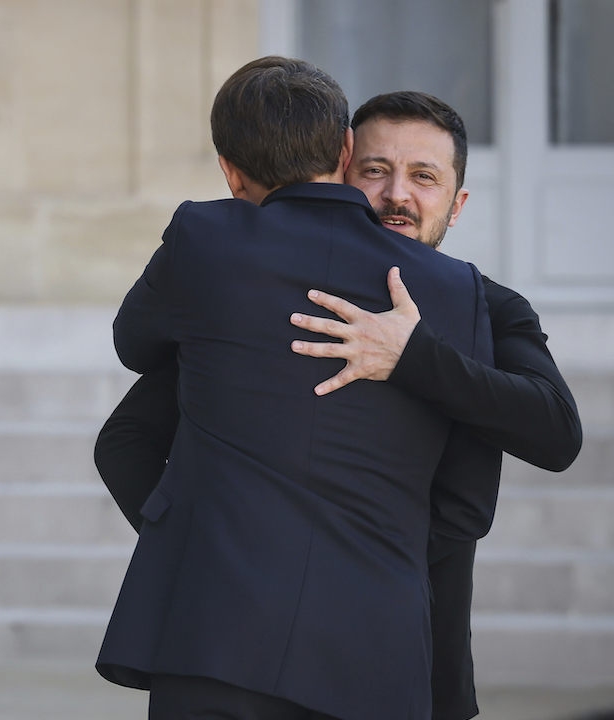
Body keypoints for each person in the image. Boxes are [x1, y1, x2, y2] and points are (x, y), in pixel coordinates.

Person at [95, 91, 583, 720]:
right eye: (377, 170)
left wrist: (415, 356)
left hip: (407, 659)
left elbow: (555, 432)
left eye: (424, 177)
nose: (397, 194)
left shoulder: (481, 305)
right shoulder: (250, 291)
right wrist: (213, 550)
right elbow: (127, 437)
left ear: (457, 205)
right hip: (244, 638)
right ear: (343, 165)